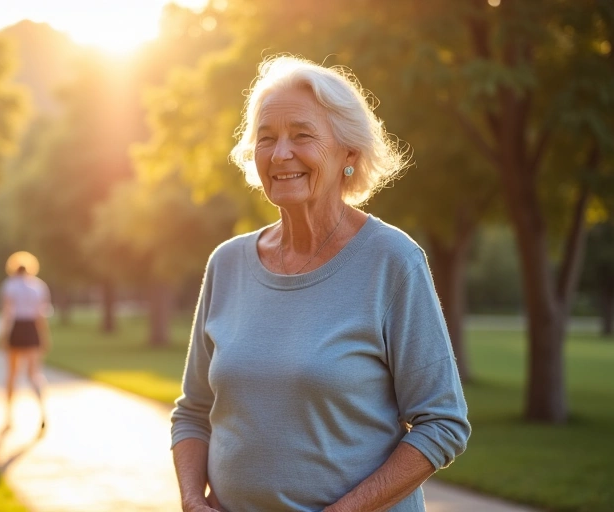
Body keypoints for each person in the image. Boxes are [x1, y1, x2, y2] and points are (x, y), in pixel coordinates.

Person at [170, 55, 471, 512]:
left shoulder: (393, 260)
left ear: (349, 153)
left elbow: (443, 423)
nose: (280, 153)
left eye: (302, 135)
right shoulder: (226, 264)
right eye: (266, 138)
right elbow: (193, 412)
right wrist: (193, 500)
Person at [0, 251, 52, 430]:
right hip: (31, 330)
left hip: (16, 328)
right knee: (34, 373)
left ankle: (9, 416)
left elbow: (7, 313)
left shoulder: (9, 285)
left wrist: (4, 335)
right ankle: (43, 411)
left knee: (12, 374)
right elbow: (41, 315)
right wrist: (44, 336)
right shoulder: (38, 286)